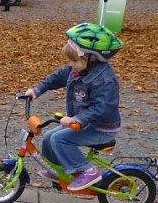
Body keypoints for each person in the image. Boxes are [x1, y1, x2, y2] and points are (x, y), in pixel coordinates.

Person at [24, 23, 123, 191]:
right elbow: (57, 77)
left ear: (89, 58)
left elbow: (103, 107)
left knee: (59, 138)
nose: (70, 64)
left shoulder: (104, 80)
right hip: (87, 123)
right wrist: (36, 90)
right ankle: (59, 171)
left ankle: (87, 170)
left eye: (73, 60)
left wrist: (77, 119)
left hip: (102, 128)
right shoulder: (79, 69)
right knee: (49, 137)